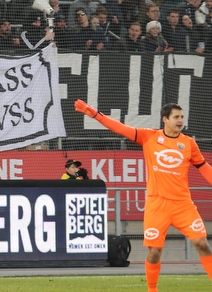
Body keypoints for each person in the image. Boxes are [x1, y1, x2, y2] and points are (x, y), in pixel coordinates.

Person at [74, 100, 212, 291]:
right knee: (154, 251)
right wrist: (95, 115)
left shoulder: (189, 143)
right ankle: (152, 289)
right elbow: (120, 128)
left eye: (182, 117)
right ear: (165, 119)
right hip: (157, 205)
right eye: (176, 117)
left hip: (183, 204)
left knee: (202, 243)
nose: (180, 120)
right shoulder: (149, 137)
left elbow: (203, 167)